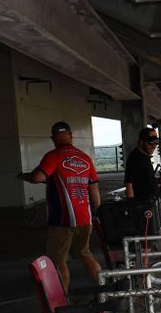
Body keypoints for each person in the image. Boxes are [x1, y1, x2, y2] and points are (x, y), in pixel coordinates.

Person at [18, 121, 101, 289]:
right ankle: (105, 288)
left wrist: (24, 176)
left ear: (53, 138)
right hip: (85, 219)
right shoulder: (85, 158)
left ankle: (61, 303)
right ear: (71, 136)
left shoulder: (54, 156)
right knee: (85, 254)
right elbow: (94, 188)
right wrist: (98, 212)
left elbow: (37, 178)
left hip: (62, 221)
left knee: (58, 261)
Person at [124, 126, 161, 263]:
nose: (154, 146)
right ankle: (144, 278)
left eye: (156, 143)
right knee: (146, 246)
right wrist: (133, 208)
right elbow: (129, 184)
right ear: (141, 142)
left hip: (151, 206)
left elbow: (145, 183)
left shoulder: (144, 158)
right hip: (144, 209)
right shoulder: (135, 158)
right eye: (150, 143)